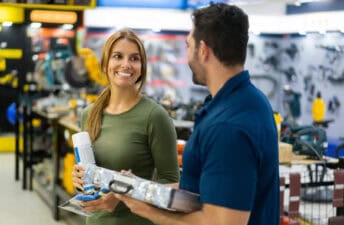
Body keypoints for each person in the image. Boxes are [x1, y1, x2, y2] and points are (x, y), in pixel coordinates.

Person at [116, 3, 280, 225]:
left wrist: (148, 212)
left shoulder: (227, 126)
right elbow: (202, 191)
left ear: (203, 51)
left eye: (188, 45)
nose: (186, 55)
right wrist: (143, 189)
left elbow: (221, 223)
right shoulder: (251, 100)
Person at [71, 29, 180, 225]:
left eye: (134, 58)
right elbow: (89, 172)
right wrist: (79, 179)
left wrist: (124, 193)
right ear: (105, 64)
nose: (126, 64)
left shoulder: (155, 116)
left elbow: (172, 185)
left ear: (142, 67)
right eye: (118, 56)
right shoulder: (89, 114)